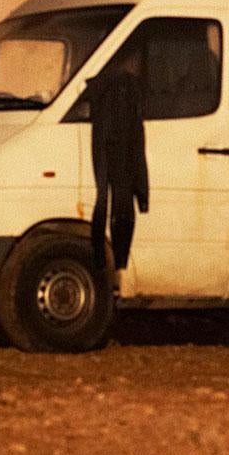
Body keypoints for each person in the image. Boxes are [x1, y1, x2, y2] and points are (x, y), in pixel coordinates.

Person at [86, 48, 148, 287]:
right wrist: (142, 193)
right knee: (119, 207)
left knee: (105, 204)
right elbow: (137, 142)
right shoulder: (126, 87)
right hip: (121, 154)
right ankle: (116, 262)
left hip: (110, 151)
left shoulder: (110, 87)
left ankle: (105, 261)